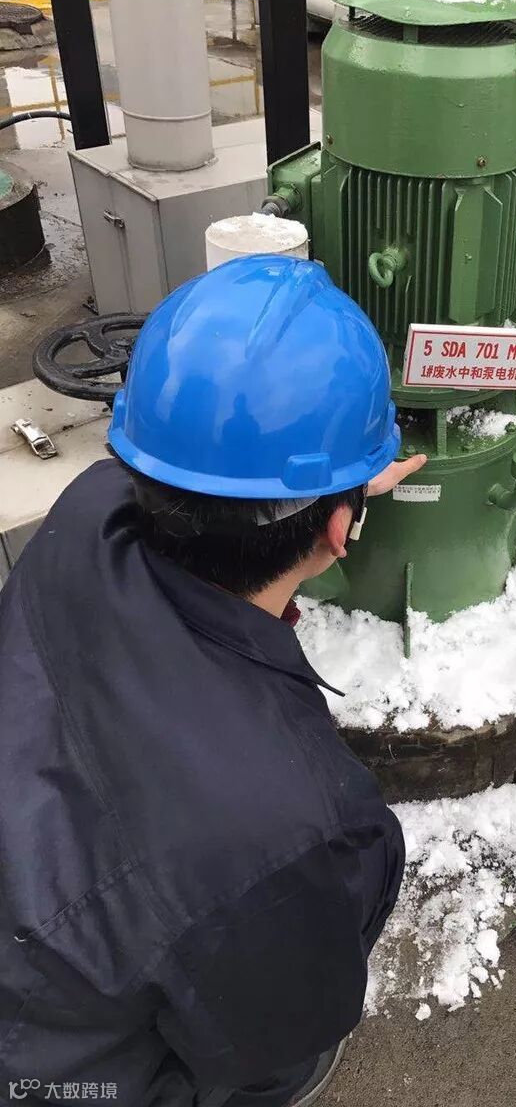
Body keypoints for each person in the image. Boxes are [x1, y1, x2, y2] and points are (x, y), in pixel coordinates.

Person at [0, 256, 425, 1106]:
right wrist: (339, 490)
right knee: (288, 1062)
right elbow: (285, 1024)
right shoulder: (301, 827)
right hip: (61, 1084)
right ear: (340, 532)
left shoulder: (84, 511)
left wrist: (336, 489)